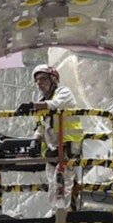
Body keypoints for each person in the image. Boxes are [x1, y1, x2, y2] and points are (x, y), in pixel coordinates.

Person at [15, 64, 83, 211]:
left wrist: (32, 105)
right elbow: (40, 125)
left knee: (63, 179)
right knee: (53, 182)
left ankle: (63, 212)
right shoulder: (41, 101)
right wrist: (35, 140)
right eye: (37, 80)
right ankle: (56, 213)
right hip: (52, 147)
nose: (39, 83)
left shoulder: (63, 92)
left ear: (53, 79)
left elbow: (55, 105)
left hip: (69, 143)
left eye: (43, 79)